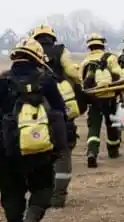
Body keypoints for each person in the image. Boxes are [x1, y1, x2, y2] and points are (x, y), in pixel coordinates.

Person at [0, 37, 67, 222]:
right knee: (44, 188)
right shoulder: (47, 81)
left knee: (11, 192)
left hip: (5, 150)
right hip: (41, 149)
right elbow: (61, 114)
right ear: (37, 57)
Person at [28, 24, 86, 208]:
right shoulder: (60, 51)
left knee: (37, 146)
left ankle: (39, 192)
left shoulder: (28, 50)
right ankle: (58, 196)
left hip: (32, 107)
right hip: (57, 105)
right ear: (52, 38)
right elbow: (72, 73)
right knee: (63, 150)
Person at [78, 33, 123, 168]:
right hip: (110, 98)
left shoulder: (85, 62)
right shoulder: (111, 58)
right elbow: (119, 75)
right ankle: (113, 151)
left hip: (94, 100)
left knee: (94, 128)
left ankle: (92, 152)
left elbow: (81, 81)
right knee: (112, 126)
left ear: (89, 47)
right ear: (102, 45)